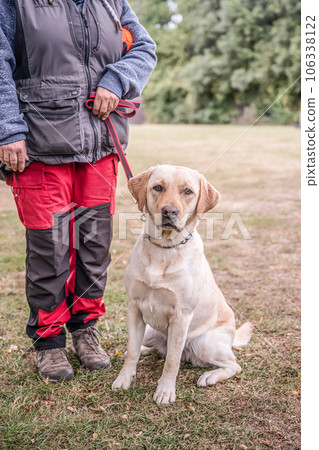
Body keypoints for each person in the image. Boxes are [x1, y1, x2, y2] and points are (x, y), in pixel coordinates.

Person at [0, 0, 157, 382]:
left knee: (94, 242)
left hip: (100, 145)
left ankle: (85, 327)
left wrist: (116, 80)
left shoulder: (113, 2)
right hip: (39, 145)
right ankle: (49, 341)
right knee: (50, 247)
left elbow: (144, 48)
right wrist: (8, 129)